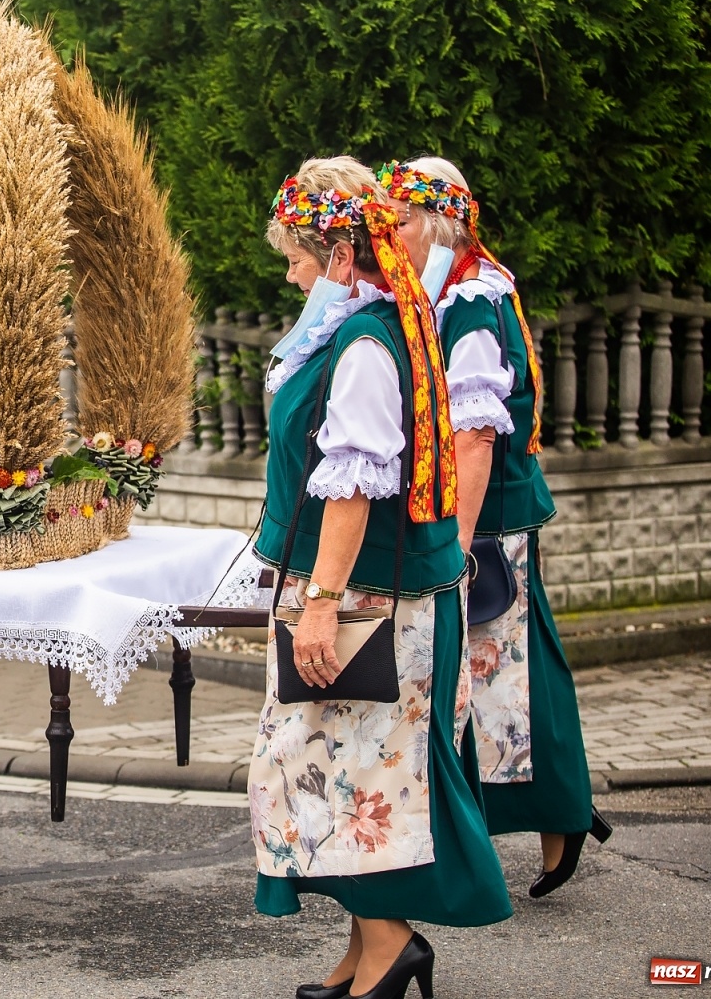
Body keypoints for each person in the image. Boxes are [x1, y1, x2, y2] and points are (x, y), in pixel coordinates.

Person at [251, 156, 510, 999]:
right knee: (349, 775)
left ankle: (391, 948)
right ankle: (371, 951)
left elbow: (355, 487)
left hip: (369, 600)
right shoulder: (377, 322)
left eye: (297, 258)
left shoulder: (366, 341)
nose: (290, 275)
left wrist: (320, 606)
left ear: (337, 254)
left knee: (341, 772)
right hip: (374, 593)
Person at [383, 157, 612, 895]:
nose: (392, 233)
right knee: (495, 677)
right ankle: (549, 813)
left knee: (509, 678)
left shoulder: (473, 302)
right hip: (483, 515)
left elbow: (476, 437)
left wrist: (456, 541)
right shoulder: (455, 291)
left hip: (488, 521)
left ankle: (558, 813)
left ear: (440, 223)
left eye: (402, 221)